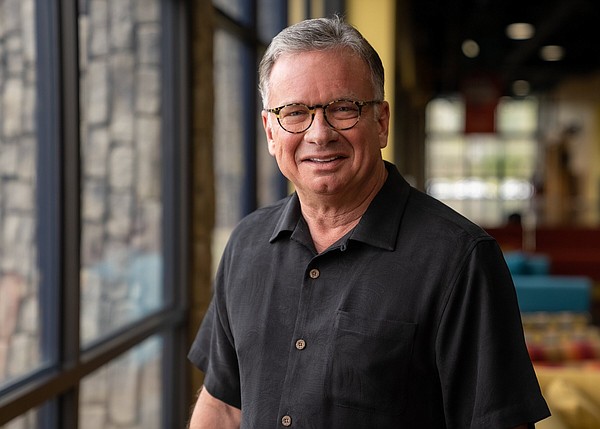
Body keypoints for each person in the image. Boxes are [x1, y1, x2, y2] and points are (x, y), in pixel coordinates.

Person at [187, 16, 550, 429]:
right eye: (295, 112)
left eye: (343, 109)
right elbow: (223, 406)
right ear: (271, 131)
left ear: (380, 122)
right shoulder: (246, 243)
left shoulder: (460, 261)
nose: (318, 134)